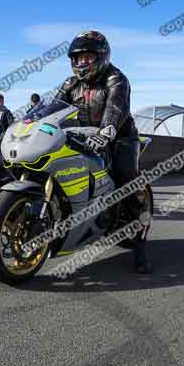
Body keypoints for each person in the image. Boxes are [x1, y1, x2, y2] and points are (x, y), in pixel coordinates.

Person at [54, 30, 151, 274]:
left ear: (101, 56)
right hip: (81, 135)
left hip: (119, 138)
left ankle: (139, 246)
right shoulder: (70, 83)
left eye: (87, 57)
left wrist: (106, 132)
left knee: (125, 181)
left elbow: (115, 109)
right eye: (77, 59)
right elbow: (52, 108)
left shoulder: (116, 79)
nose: (81, 63)